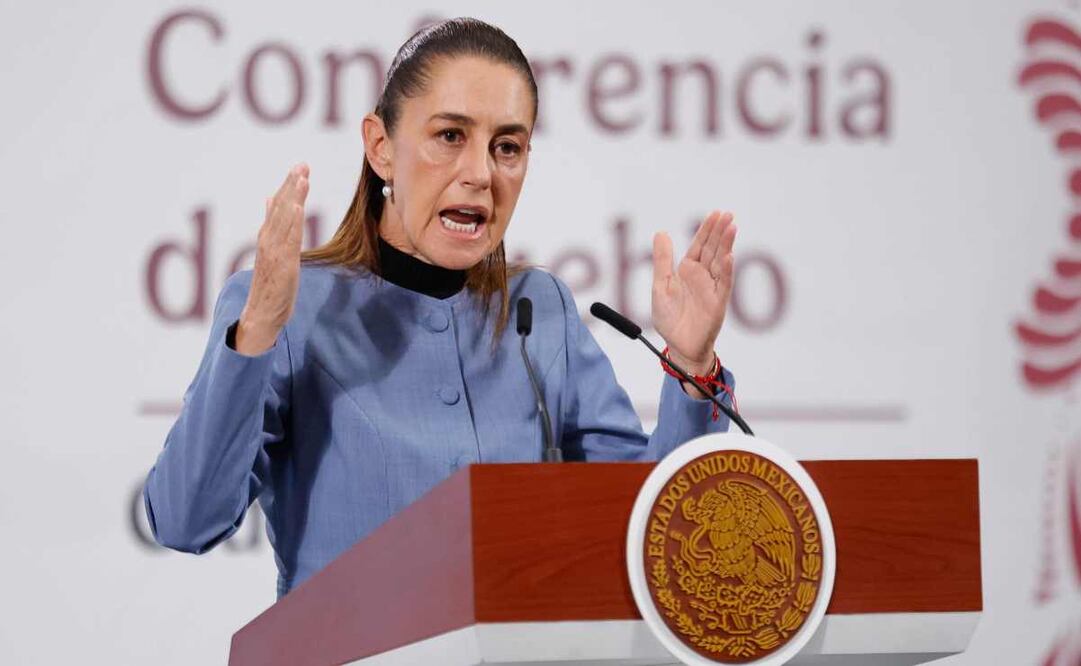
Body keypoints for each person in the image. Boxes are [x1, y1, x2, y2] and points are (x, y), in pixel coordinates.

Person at [143, 17, 739, 599]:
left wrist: (692, 364)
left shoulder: (541, 312)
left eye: (507, 147)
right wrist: (257, 333)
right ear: (380, 146)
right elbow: (185, 521)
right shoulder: (291, 309)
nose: (480, 174)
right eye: (450, 136)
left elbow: (663, 527)